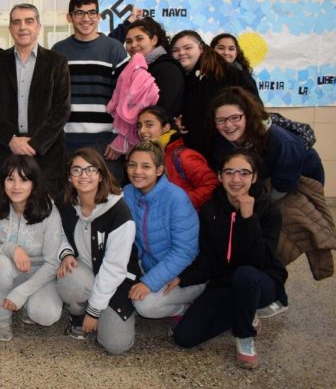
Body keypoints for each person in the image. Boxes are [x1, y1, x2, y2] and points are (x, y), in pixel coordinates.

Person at [172, 150, 287, 369]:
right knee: (184, 337)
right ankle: (243, 312)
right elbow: (207, 257)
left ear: (254, 177)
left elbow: (261, 260)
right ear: (219, 176)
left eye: (244, 173)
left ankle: (244, 336)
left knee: (245, 275)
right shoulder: (210, 209)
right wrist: (182, 278)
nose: (236, 179)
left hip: (261, 281)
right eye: (230, 172)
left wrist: (248, 217)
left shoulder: (269, 210)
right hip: (224, 283)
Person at [55, 148, 139, 355]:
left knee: (116, 345)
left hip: (116, 282)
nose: (84, 175)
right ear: (69, 176)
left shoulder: (119, 212)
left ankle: (98, 313)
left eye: (91, 169)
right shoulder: (66, 203)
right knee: (69, 276)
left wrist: (94, 311)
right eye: (77, 170)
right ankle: (77, 314)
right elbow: (57, 235)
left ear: (101, 175)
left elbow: (114, 269)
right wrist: (66, 253)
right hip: (85, 273)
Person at [0, 4, 70, 194]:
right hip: (5, 153)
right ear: (10, 29)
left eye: (29, 21)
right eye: (17, 22)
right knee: (4, 216)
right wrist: (11, 140)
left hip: (45, 157)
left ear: (38, 27)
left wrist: (35, 144)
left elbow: (61, 110)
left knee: (46, 214)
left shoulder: (57, 62)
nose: (23, 27)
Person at [0, 155, 69, 342]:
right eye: (10, 179)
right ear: (2, 182)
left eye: (24, 180)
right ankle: (3, 319)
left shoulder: (49, 210)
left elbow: (53, 263)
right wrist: (11, 249)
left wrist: (21, 293)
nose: (16, 186)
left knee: (46, 316)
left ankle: (25, 302)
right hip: (11, 270)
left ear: (34, 183)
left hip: (42, 274)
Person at [51, 0, 129, 182]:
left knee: (108, 201)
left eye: (91, 13)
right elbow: (51, 100)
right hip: (68, 143)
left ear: (99, 16)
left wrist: (121, 140)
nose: (86, 18)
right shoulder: (58, 51)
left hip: (106, 145)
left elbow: (128, 98)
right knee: (70, 202)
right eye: (79, 13)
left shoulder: (115, 49)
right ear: (69, 17)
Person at [122, 141, 203, 321]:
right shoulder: (127, 192)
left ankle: (185, 308)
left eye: (146, 166)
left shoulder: (176, 198)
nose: (137, 171)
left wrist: (149, 282)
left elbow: (184, 252)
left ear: (159, 170)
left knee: (145, 306)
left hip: (183, 275)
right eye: (132, 165)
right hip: (147, 267)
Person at [210, 86, 324, 199]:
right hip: (268, 179)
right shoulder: (220, 142)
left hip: (300, 179)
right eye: (221, 120)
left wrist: (261, 203)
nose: (228, 125)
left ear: (248, 116)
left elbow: (283, 186)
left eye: (235, 118)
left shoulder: (279, 140)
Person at [168, 30, 259, 158]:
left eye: (188, 48)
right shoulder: (190, 75)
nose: (181, 53)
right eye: (176, 50)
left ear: (200, 48)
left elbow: (253, 109)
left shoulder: (222, 73)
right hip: (202, 152)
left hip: (226, 153)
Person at [136, 106, 218, 210]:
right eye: (139, 126)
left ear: (166, 127)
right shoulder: (146, 156)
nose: (142, 130)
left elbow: (212, 185)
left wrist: (179, 203)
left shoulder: (184, 156)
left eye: (149, 125)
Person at [123, 17, 184, 118]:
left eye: (139, 39)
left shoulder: (167, 68)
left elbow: (160, 110)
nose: (133, 45)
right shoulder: (131, 69)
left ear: (154, 40)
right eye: (129, 41)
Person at [210, 33, 258, 101]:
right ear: (212, 50)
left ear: (236, 52)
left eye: (231, 49)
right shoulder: (202, 74)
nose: (226, 53)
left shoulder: (243, 76)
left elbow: (255, 104)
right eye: (221, 48)